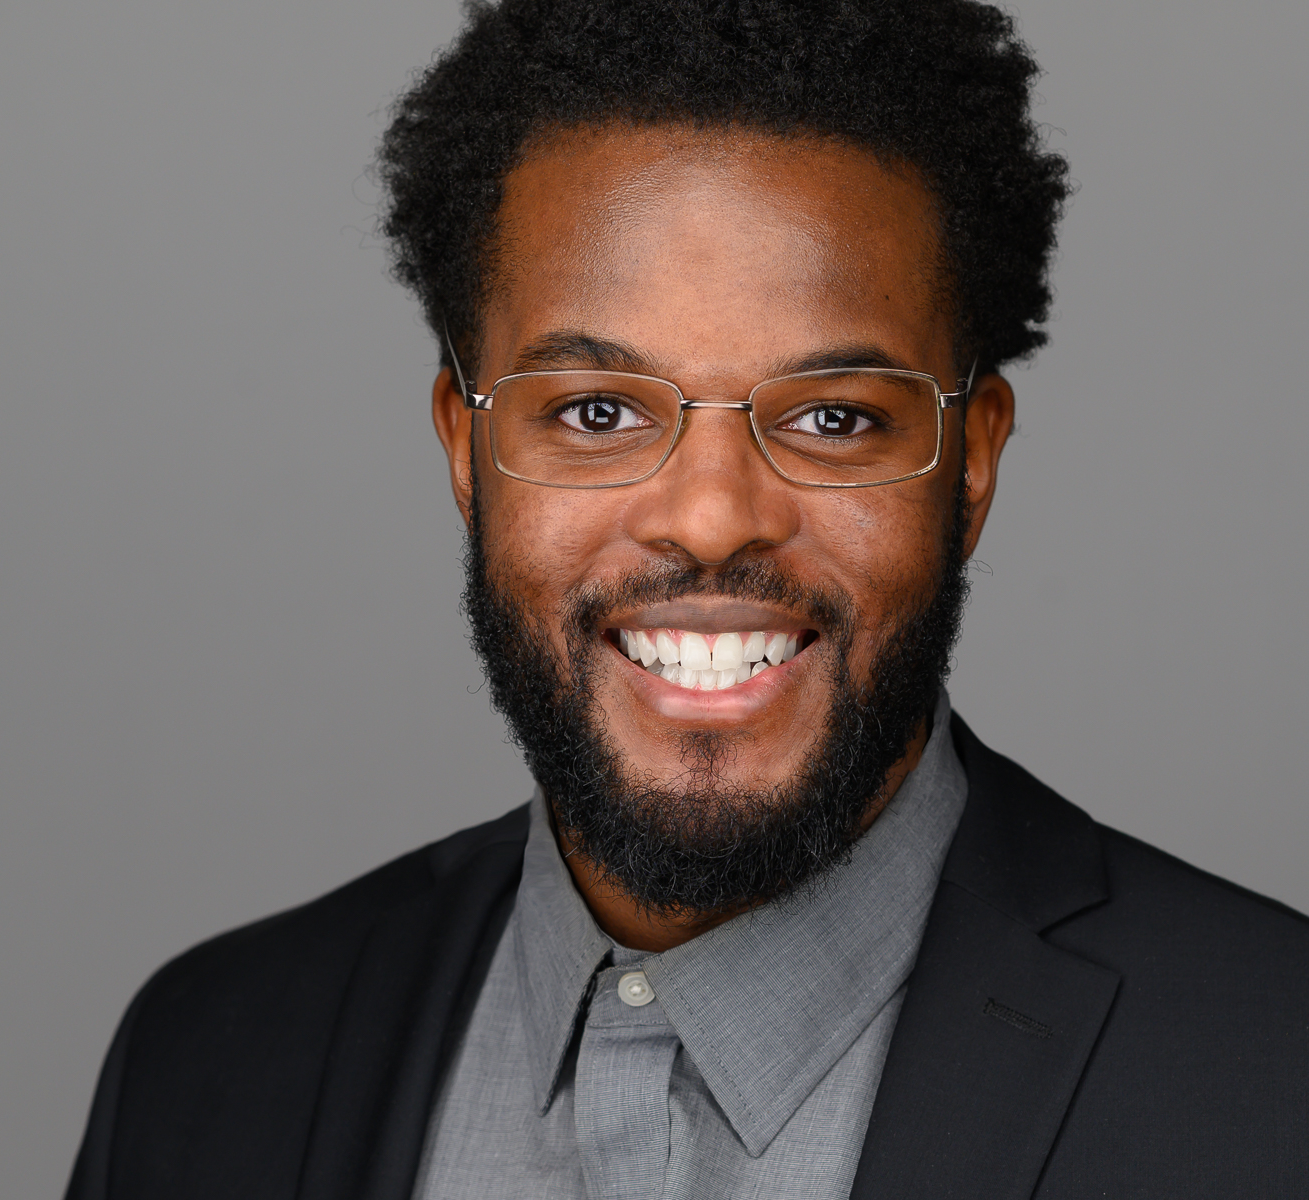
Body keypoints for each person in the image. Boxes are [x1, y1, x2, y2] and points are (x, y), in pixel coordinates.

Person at [63, 1, 1309, 1196]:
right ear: (465, 446)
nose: (712, 518)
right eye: (598, 412)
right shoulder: (208, 1065)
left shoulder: (1275, 1080)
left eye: (834, 418)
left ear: (971, 461)